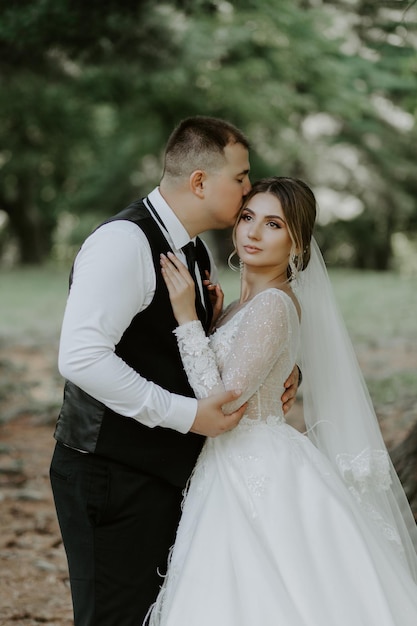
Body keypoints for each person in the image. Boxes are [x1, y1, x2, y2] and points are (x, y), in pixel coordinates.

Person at [49, 118, 300, 626]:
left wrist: (271, 376)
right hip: (110, 471)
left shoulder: (192, 251)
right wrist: (187, 415)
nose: (248, 188)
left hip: (167, 474)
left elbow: (198, 352)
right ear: (201, 182)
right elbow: (81, 357)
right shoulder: (124, 242)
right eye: (241, 177)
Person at [147, 176, 417, 625]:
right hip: (229, 463)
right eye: (248, 218)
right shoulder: (241, 307)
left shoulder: (273, 304)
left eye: (273, 224)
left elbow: (222, 400)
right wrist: (214, 322)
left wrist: (185, 317)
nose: (253, 233)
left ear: (297, 244)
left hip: (256, 464)